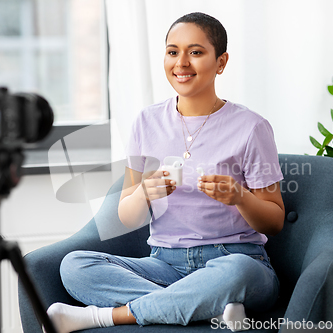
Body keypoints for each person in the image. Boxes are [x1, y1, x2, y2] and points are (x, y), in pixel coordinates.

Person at [46, 12, 285, 333]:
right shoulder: (147, 121)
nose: (181, 63)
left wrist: (239, 197)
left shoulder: (252, 127)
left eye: (196, 52)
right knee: (75, 266)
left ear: (221, 62)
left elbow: (275, 220)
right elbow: (128, 217)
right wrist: (145, 193)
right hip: (164, 264)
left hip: (235, 260)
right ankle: (204, 307)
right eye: (173, 52)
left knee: (238, 272)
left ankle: (103, 316)